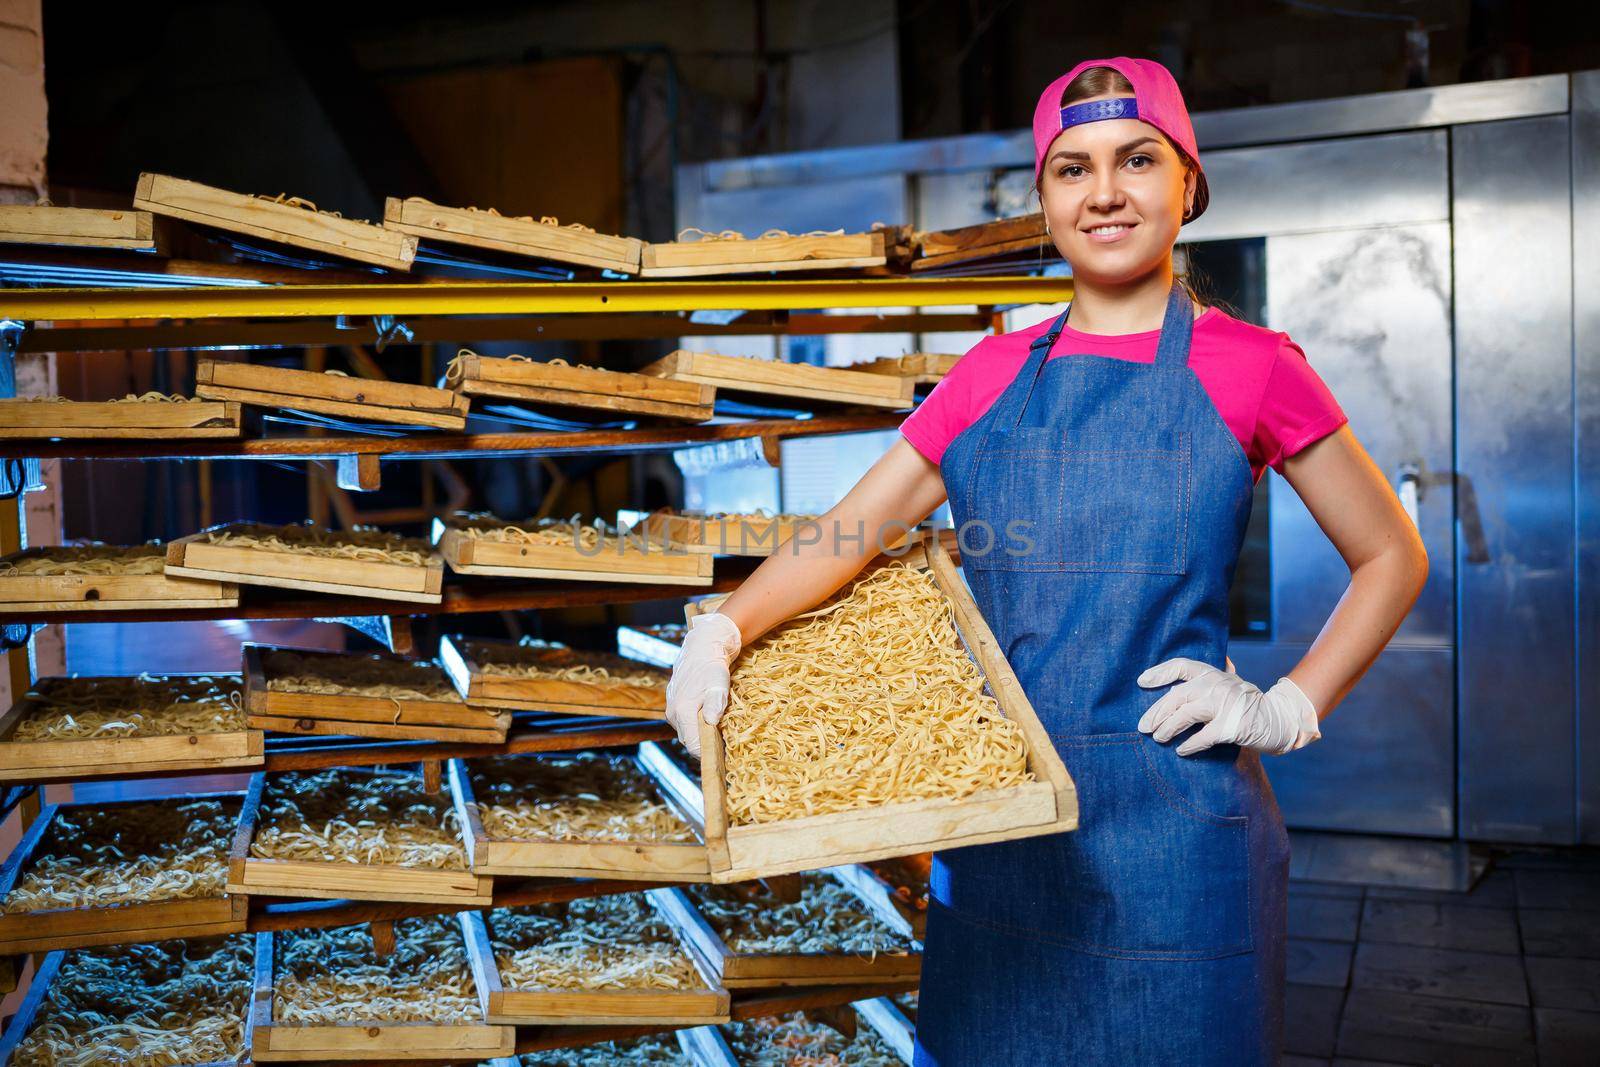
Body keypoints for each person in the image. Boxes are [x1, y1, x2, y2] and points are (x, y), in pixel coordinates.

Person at [665, 56, 1427, 1066]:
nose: (1105, 191)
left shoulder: (1253, 366)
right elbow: (847, 532)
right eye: (1072, 169)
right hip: (999, 832)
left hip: (1179, 833)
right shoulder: (986, 376)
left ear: (1187, 184)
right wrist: (722, 629)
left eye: (1137, 159)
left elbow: (1390, 553)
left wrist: (1285, 703)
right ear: (1043, 199)